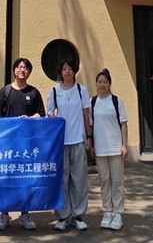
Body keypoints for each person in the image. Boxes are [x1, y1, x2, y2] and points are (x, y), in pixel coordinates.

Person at [0, 57, 46, 231]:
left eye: (26, 68)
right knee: (4, 179)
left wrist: (30, 118)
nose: (22, 70)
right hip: (6, 145)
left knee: (25, 179)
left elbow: (41, 114)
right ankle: (4, 214)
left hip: (26, 145)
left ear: (29, 72)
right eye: (20, 67)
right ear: (14, 70)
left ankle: (25, 214)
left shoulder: (33, 92)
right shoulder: (5, 92)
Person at [47, 57, 92, 231]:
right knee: (62, 180)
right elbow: (50, 112)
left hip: (78, 139)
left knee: (79, 179)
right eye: (64, 68)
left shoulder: (82, 90)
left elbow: (86, 115)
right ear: (60, 71)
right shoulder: (54, 91)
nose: (67, 71)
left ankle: (78, 215)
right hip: (61, 142)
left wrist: (89, 137)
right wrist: (55, 119)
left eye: (70, 68)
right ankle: (63, 216)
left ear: (74, 71)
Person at [90, 68, 128, 231]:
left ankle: (118, 213)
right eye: (99, 82)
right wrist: (91, 144)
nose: (102, 85)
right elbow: (91, 125)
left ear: (110, 84)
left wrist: (124, 145)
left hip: (115, 147)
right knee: (104, 180)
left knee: (117, 181)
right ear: (96, 84)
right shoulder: (93, 102)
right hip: (100, 148)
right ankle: (107, 211)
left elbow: (123, 124)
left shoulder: (116, 101)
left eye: (105, 82)